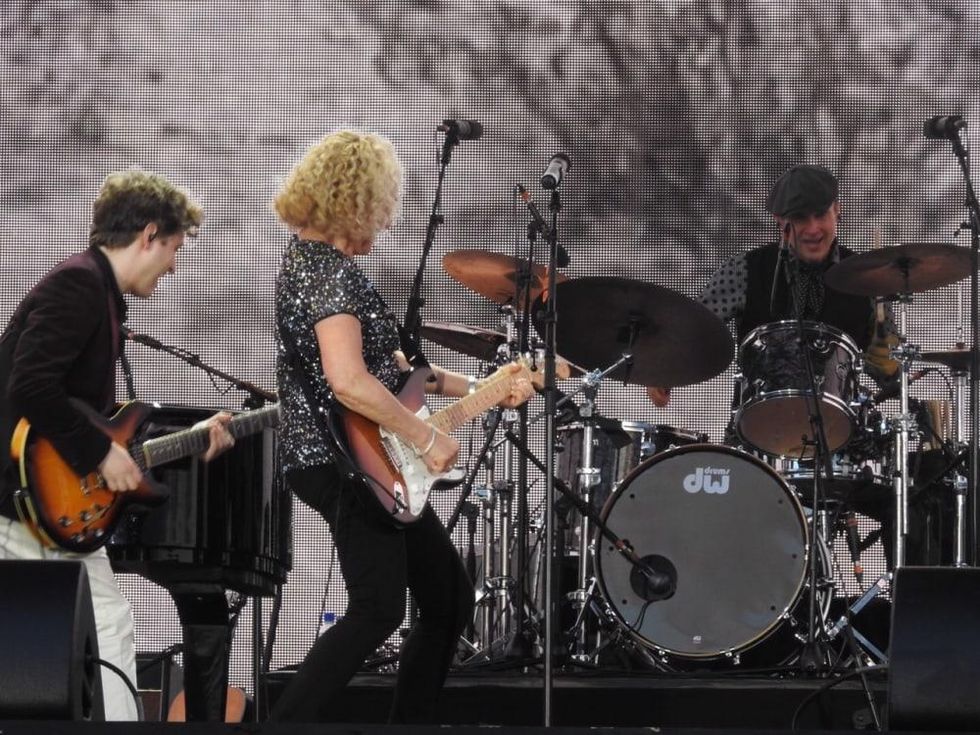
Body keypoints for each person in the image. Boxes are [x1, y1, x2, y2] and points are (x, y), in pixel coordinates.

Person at [269, 129, 534, 724]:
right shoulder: (328, 275)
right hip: (343, 462)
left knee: (446, 598)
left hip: (361, 459)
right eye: (382, 206)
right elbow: (349, 383)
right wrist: (428, 437)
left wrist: (492, 387)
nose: (385, 222)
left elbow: (407, 378)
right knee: (377, 609)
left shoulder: (320, 266)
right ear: (355, 201)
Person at [0, 169, 236, 720]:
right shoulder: (79, 285)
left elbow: (93, 419)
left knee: (91, 624)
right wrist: (99, 454)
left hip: (39, 502)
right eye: (174, 248)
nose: (174, 265)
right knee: (104, 623)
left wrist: (188, 440)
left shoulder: (96, 292)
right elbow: (30, 384)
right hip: (23, 500)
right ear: (149, 234)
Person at [648, 163, 898, 408]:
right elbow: (694, 329)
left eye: (821, 215)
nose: (812, 229)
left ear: (837, 212)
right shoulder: (744, 270)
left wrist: (889, 365)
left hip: (841, 434)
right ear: (780, 221)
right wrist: (664, 368)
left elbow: (889, 373)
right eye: (800, 218)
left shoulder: (867, 278)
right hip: (756, 433)